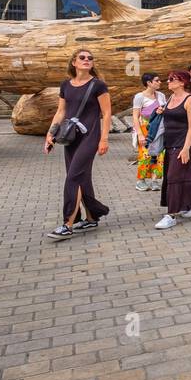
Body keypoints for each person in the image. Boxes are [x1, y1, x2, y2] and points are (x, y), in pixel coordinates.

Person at [44, 49, 112, 240]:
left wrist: (104, 139)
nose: (87, 60)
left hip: (90, 137)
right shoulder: (66, 84)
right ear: (74, 62)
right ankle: (92, 216)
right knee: (81, 178)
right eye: (82, 58)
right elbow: (61, 111)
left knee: (73, 177)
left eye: (90, 58)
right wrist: (50, 134)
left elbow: (106, 114)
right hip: (71, 138)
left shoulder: (98, 85)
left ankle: (68, 223)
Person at [155, 71, 191, 229]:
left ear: (182, 82)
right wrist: (160, 112)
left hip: (184, 143)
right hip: (170, 143)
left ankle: (171, 214)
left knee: (174, 177)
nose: (167, 82)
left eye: (171, 79)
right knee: (181, 174)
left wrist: (186, 149)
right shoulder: (169, 99)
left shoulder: (190, 100)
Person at [132, 72, 166, 191]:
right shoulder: (139, 97)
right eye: (157, 80)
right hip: (145, 128)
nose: (159, 82)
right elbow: (135, 116)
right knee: (145, 155)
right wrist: (140, 135)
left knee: (160, 154)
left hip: (159, 128)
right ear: (149, 83)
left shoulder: (161, 95)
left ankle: (155, 179)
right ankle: (141, 180)